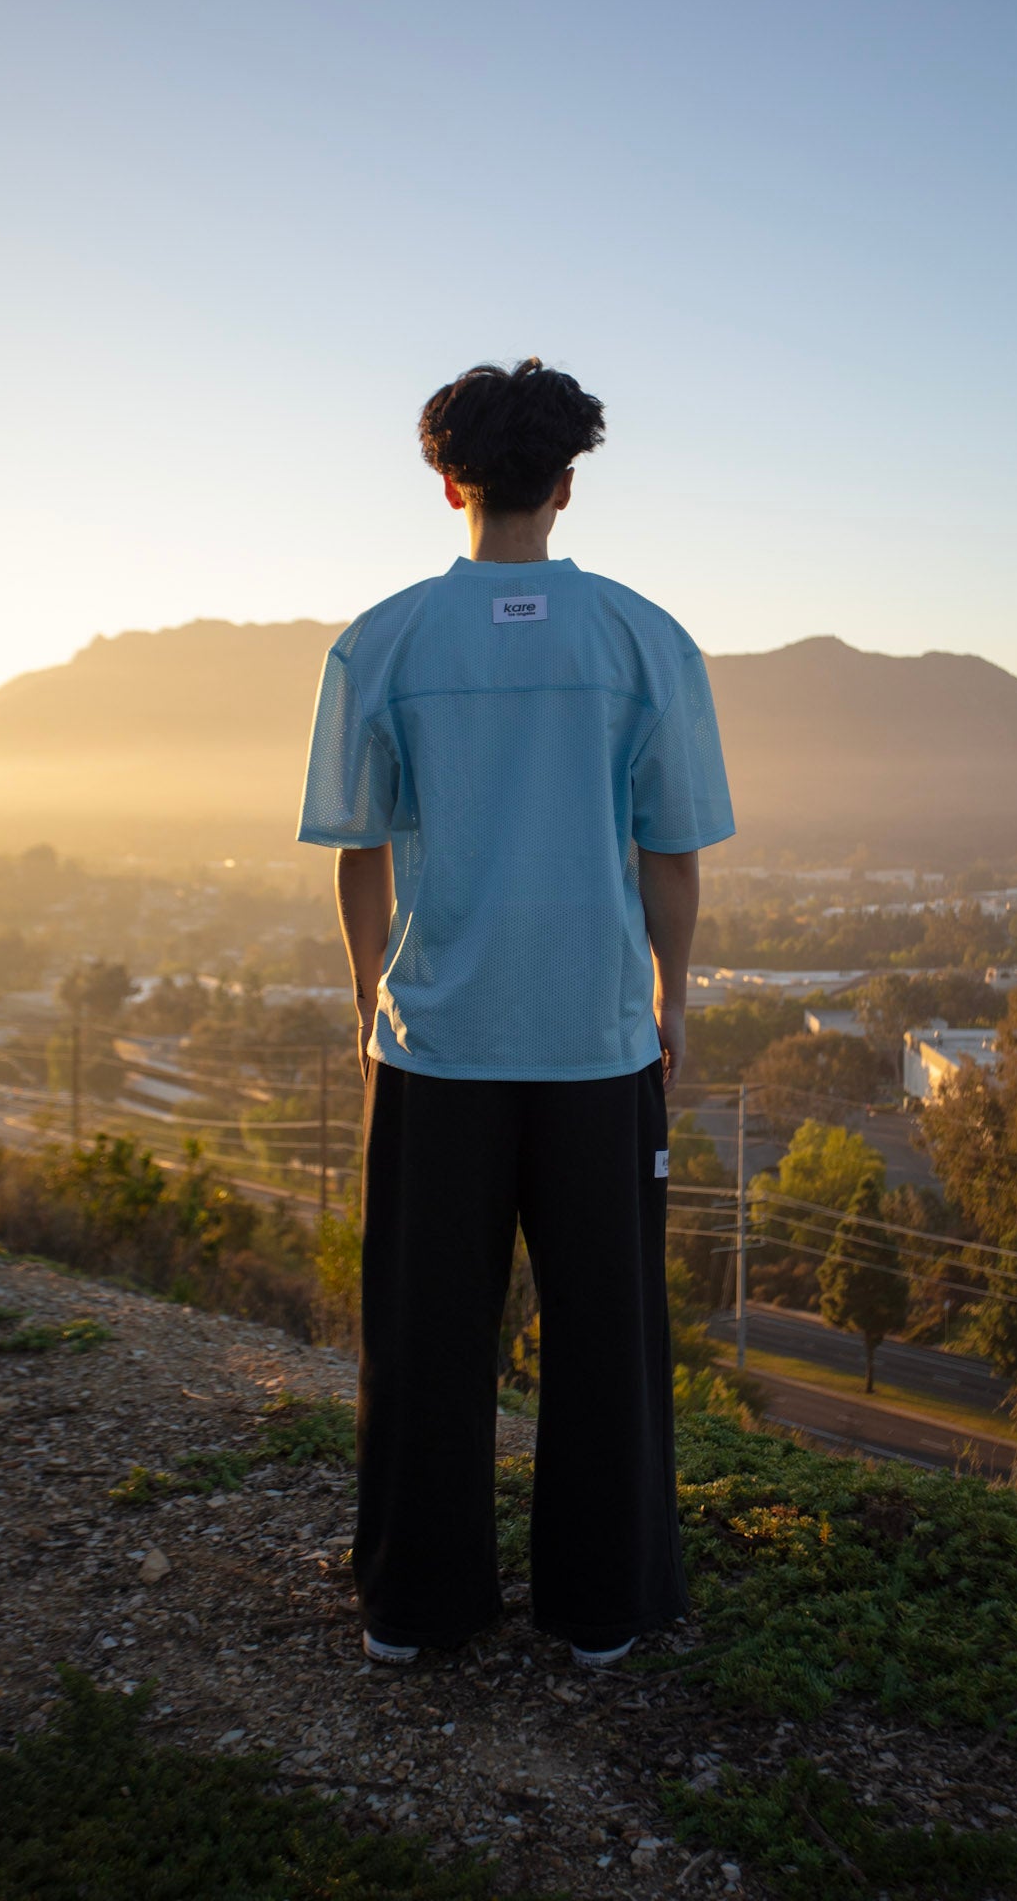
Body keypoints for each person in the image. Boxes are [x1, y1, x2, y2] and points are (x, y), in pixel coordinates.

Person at [296, 357, 734, 1669]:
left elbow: (356, 851)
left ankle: (415, 1609)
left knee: (427, 1332)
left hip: (433, 1045)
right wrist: (671, 998)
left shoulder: (378, 643)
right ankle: (597, 1613)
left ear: (449, 483)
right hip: (596, 1042)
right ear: (567, 482)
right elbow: (671, 855)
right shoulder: (646, 640)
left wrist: (367, 994)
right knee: (605, 1336)